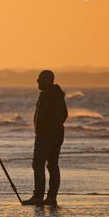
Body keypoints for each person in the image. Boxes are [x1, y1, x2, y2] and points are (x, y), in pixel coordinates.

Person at [22, 70, 68, 206]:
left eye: (40, 79)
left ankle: (38, 196)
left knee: (38, 164)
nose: (37, 81)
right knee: (53, 165)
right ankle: (51, 198)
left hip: (46, 136)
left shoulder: (46, 95)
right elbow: (65, 114)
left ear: (47, 80)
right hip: (57, 135)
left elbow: (42, 116)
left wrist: (40, 131)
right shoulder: (58, 94)